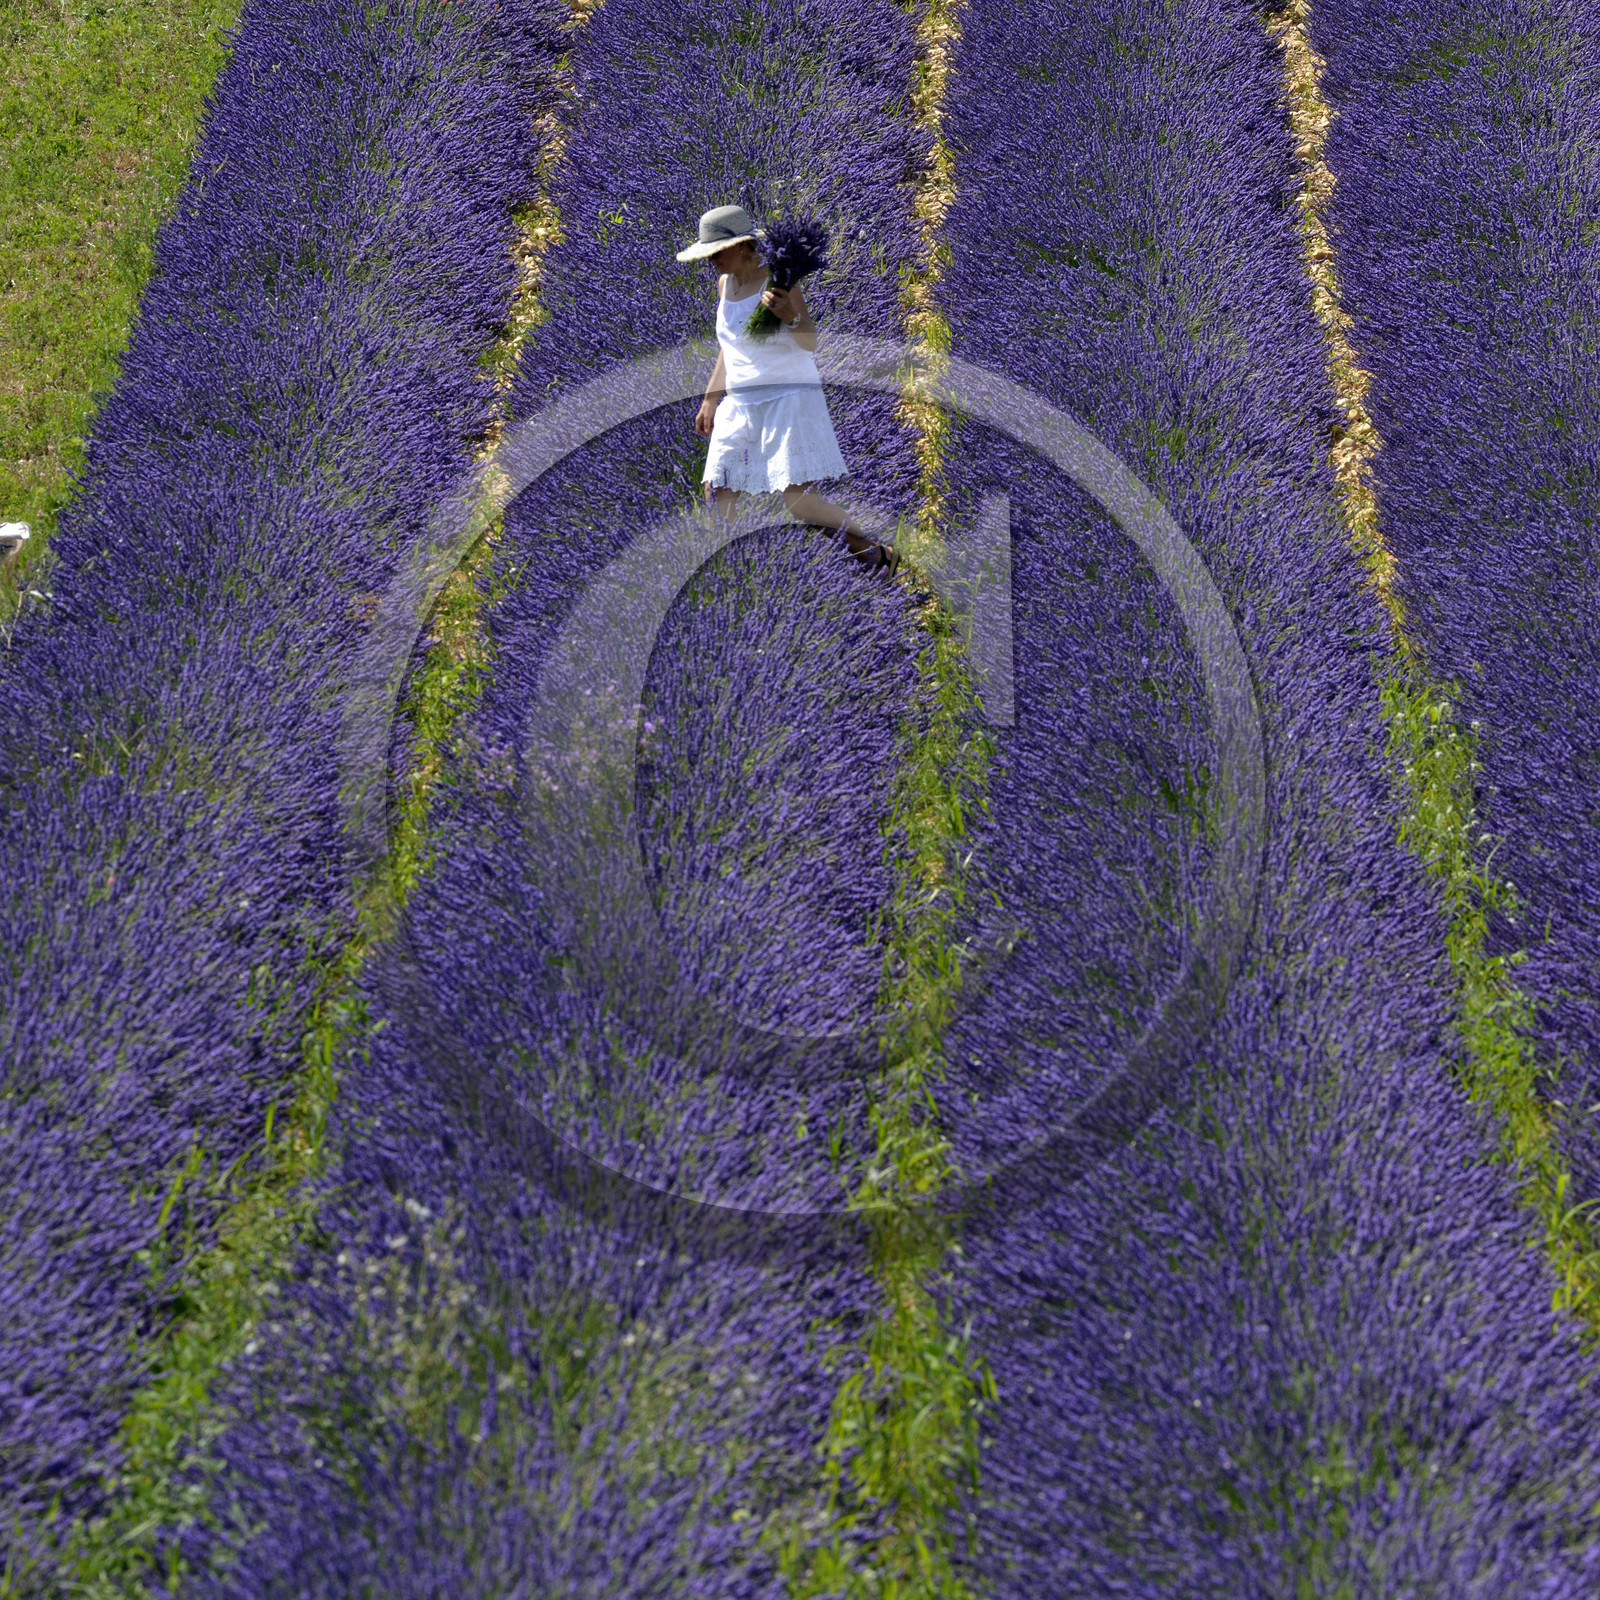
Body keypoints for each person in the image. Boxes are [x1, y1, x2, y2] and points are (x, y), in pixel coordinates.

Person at [676, 204, 901, 576]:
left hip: (788, 397)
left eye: (716, 251)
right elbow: (729, 348)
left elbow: (809, 341)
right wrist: (710, 398)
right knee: (717, 489)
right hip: (741, 400)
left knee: (800, 504)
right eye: (707, 253)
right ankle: (736, 577)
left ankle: (875, 552)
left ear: (744, 246)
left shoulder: (779, 281)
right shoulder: (723, 285)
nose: (711, 259)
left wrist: (788, 316)